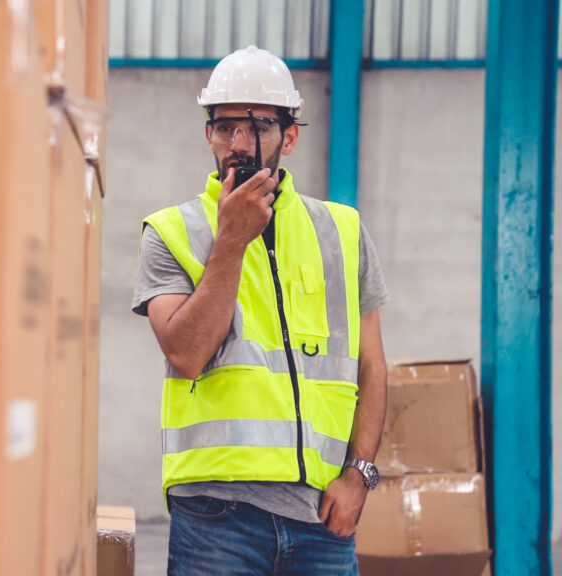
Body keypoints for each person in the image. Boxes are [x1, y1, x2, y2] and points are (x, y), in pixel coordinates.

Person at [131, 45, 390, 575]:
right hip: (215, 517)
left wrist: (359, 475)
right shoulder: (172, 233)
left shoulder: (341, 231)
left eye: (259, 126)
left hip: (322, 517)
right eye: (225, 126)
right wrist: (230, 241)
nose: (239, 143)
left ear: (289, 137)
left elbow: (372, 366)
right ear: (207, 134)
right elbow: (185, 353)